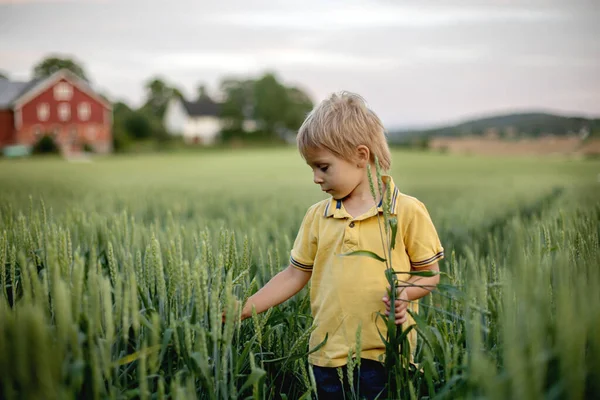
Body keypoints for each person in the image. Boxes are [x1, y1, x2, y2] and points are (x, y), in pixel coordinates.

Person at [240, 92, 444, 399]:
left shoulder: (407, 211)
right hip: (326, 356)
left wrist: (404, 292)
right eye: (312, 169)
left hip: (386, 355)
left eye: (323, 167)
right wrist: (244, 308)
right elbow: (294, 275)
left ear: (361, 156)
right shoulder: (317, 217)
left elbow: (430, 274)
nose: (315, 179)